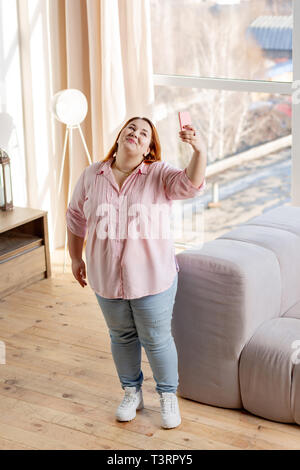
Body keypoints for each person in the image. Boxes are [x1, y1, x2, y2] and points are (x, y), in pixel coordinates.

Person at [66, 116, 207, 429]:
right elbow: (75, 217)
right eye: (131, 128)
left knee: (156, 339)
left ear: (148, 150)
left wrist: (199, 151)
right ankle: (132, 392)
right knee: (121, 337)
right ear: (119, 137)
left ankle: (167, 395)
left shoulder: (158, 174)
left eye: (144, 134)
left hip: (153, 279)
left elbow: (191, 184)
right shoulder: (92, 174)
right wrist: (75, 258)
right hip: (105, 279)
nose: (136, 134)